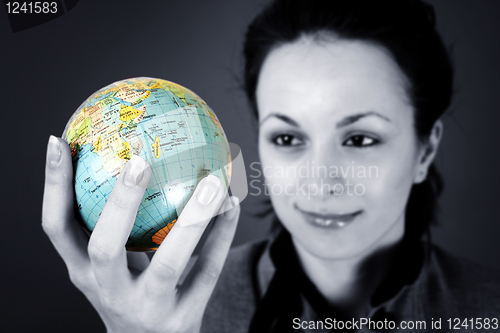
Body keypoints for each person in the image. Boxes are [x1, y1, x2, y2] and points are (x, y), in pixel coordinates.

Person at [42, 0, 500, 332]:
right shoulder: (174, 313)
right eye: (287, 138)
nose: (319, 182)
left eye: (359, 139)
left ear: (425, 149)